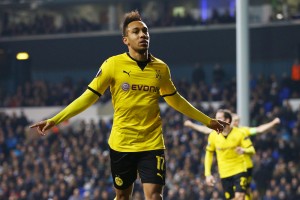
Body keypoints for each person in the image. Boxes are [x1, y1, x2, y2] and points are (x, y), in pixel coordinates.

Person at [30, 10, 227, 200]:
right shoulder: (112, 65)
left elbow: (175, 99)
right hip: (122, 144)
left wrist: (207, 121)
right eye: (136, 32)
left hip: (152, 143)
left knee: (155, 195)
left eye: (145, 31)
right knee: (123, 196)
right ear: (126, 40)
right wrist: (55, 120)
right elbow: (88, 97)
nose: (143, 35)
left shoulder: (161, 68)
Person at [184, 113, 281, 199]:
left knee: (242, 194)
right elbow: (206, 130)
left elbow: (259, 130)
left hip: (245, 167)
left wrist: (272, 123)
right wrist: (192, 125)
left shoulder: (242, 131)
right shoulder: (216, 133)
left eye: (237, 121)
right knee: (243, 194)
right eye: (235, 120)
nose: (236, 123)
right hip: (225, 171)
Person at [204, 109, 255, 200]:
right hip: (224, 173)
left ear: (227, 120)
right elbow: (209, 154)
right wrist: (208, 174)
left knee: (240, 196)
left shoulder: (240, 133)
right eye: (215, 119)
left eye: (219, 118)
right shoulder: (213, 135)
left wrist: (244, 150)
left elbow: (252, 150)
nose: (216, 121)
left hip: (239, 169)